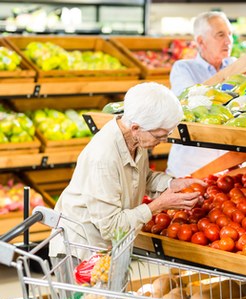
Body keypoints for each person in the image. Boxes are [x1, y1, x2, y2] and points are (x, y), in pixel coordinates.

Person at [49, 82, 205, 262]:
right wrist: (158, 205)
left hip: (109, 248)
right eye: (159, 135)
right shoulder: (103, 158)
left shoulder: (135, 139)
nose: (164, 140)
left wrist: (171, 184)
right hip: (81, 250)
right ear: (136, 127)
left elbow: (141, 176)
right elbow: (110, 226)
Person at [166, 11, 236, 177]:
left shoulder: (235, 65)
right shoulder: (183, 68)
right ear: (201, 41)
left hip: (231, 169)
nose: (228, 41)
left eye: (230, 34)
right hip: (190, 169)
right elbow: (194, 102)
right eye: (220, 35)